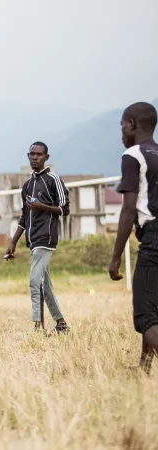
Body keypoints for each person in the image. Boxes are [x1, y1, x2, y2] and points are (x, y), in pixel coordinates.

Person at [108, 101, 158, 374]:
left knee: (146, 314)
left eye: (122, 125)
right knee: (154, 305)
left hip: (153, 237)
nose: (121, 132)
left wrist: (116, 257)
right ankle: (144, 366)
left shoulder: (134, 156)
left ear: (133, 124)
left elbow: (128, 209)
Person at [4, 142, 70, 334]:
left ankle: (37, 326)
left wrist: (41, 206)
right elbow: (25, 217)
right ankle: (61, 324)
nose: (34, 157)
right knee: (45, 285)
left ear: (46, 157)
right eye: (31, 154)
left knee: (34, 280)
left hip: (46, 238)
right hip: (33, 241)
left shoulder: (53, 179)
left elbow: (64, 209)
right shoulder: (27, 185)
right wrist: (13, 243)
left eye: (38, 154)